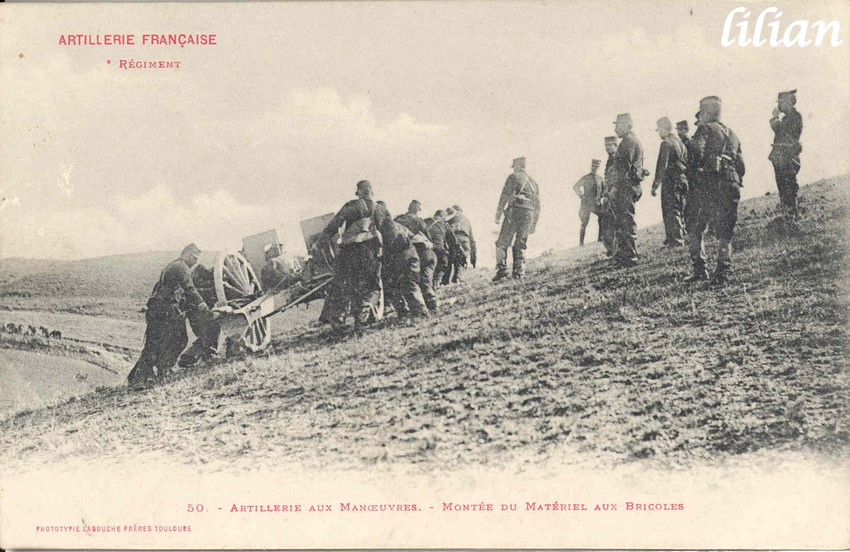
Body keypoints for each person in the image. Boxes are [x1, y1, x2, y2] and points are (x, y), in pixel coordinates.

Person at [128, 243, 211, 389]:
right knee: (167, 341)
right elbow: (189, 288)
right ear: (187, 254)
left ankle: (156, 372)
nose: (195, 262)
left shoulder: (173, 265)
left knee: (160, 341)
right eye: (194, 258)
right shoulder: (181, 267)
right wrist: (201, 303)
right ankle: (142, 378)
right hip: (164, 309)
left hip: (161, 308)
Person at [684, 96, 745, 285]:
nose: (699, 118)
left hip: (710, 185)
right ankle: (723, 270)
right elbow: (741, 165)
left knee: (694, 224)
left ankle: (700, 268)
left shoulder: (705, 129)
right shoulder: (732, 133)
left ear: (707, 113)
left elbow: (695, 151)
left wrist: (695, 172)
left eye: (701, 113)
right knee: (726, 228)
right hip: (732, 182)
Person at [320, 180, 387, 331]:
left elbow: (334, 225)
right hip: (369, 253)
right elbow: (390, 233)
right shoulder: (380, 209)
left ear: (359, 193)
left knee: (345, 285)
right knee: (370, 287)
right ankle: (361, 323)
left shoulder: (351, 205)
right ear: (371, 191)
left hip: (348, 253)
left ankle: (338, 322)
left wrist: (321, 241)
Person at [494, 156, 541, 281]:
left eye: (514, 166)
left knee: (502, 241)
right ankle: (519, 273)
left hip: (514, 211)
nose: (514, 169)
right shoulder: (533, 182)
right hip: (529, 214)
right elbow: (538, 205)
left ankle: (502, 270)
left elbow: (504, 196)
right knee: (520, 243)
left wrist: (498, 215)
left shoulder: (513, 177)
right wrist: (534, 224)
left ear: (517, 166)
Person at [608, 114, 647, 268]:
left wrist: (614, 188)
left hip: (626, 187)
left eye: (618, 125)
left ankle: (630, 257)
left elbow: (623, 169)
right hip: (629, 186)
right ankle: (625, 255)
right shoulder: (631, 141)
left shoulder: (628, 142)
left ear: (627, 125)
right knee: (623, 221)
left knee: (626, 221)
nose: (615, 128)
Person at [393, 200, 438, 313]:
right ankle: (431, 305)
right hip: (419, 252)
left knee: (404, 281)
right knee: (423, 279)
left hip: (402, 252)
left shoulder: (397, 219)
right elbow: (427, 237)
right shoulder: (418, 220)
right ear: (418, 210)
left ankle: (407, 308)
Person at [651, 117, 688, 247]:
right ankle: (681, 236)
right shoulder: (680, 142)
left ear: (664, 128)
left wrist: (655, 185)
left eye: (659, 130)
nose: (658, 133)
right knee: (681, 208)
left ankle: (676, 241)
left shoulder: (666, 143)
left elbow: (661, 166)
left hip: (671, 181)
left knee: (671, 210)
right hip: (683, 180)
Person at [769, 89, 803, 219]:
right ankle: (788, 215)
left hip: (788, 157)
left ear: (789, 102)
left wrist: (774, 118)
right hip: (781, 157)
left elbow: (782, 132)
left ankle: (792, 215)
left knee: (789, 185)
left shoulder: (795, 116)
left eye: (781, 102)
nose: (779, 105)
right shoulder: (788, 118)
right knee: (783, 186)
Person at [572, 159, 604, 246]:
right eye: (594, 166)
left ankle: (600, 239)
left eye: (597, 167)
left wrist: (600, 197)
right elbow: (576, 187)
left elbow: (604, 191)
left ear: (599, 168)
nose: (595, 168)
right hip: (586, 204)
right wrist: (582, 197)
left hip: (596, 204)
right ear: (591, 166)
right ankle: (581, 243)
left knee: (603, 217)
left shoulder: (600, 179)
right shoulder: (586, 178)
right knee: (584, 223)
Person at [424, 209, 459, 288]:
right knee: (443, 265)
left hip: (425, 247)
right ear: (444, 217)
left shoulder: (425, 221)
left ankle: (428, 285)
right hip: (437, 248)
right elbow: (454, 241)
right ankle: (435, 284)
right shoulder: (444, 224)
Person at [445, 205, 476, 283]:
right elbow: (472, 241)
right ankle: (457, 278)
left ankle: (445, 281)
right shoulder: (467, 221)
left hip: (452, 239)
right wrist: (473, 258)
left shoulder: (449, 217)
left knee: (449, 260)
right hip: (465, 241)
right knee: (460, 260)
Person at [600, 136, 619, 257]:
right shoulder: (610, 159)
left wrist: (611, 191)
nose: (607, 147)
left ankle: (615, 250)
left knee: (614, 222)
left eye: (609, 145)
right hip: (609, 194)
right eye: (606, 145)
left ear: (615, 145)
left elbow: (618, 176)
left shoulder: (617, 158)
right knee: (607, 222)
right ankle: (611, 249)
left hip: (615, 193)